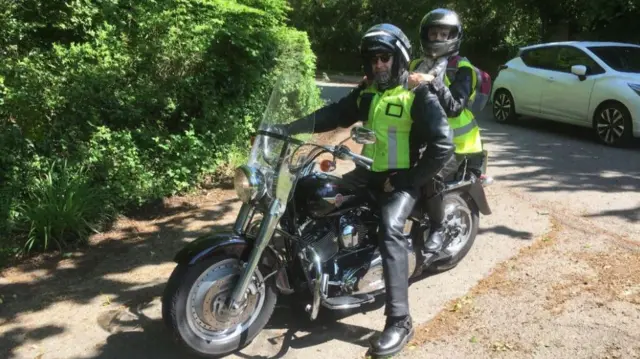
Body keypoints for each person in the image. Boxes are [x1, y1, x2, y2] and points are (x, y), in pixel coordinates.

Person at [284, 24, 456, 357]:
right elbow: (336, 114)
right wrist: (289, 129)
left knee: (390, 231)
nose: (378, 65)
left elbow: (443, 145)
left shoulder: (417, 94)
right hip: (369, 172)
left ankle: (399, 320)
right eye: (372, 60)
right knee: (318, 196)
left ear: (399, 58)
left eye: (384, 58)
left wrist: (408, 180)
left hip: (401, 179)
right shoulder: (369, 93)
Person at [408, 8, 486, 179]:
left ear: (453, 36)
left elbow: (455, 107)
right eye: (433, 33)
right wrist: (372, 82)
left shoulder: (462, 68)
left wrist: (431, 81)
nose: (437, 38)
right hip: (427, 141)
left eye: (443, 34)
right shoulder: (415, 66)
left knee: (427, 183)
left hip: (460, 148)